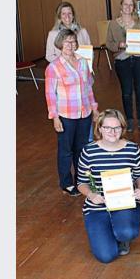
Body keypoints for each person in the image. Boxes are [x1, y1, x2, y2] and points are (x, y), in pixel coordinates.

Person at [76, 109, 140, 263]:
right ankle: (109, 229)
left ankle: (122, 235)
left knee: (126, 232)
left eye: (116, 127)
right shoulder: (89, 151)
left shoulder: (132, 149)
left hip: (124, 202)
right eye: (107, 127)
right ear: (99, 129)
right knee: (106, 256)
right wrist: (91, 195)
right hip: (97, 206)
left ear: (122, 129)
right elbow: (81, 182)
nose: (112, 131)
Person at [44, 29, 99, 196]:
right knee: (66, 150)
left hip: (85, 113)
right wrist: (55, 117)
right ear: (60, 44)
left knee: (82, 149)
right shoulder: (53, 67)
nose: (70, 45)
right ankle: (66, 182)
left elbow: (89, 87)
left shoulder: (83, 62)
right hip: (66, 115)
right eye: (67, 42)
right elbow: (50, 95)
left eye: (73, 42)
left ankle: (80, 181)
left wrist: (94, 108)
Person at [106, 0, 140, 132]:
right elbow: (109, 43)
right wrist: (119, 45)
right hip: (122, 60)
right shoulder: (113, 24)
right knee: (126, 91)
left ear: (134, 8)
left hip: (139, 59)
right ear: (121, 6)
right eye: (125, 4)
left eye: (131, 5)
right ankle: (130, 119)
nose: (128, 7)